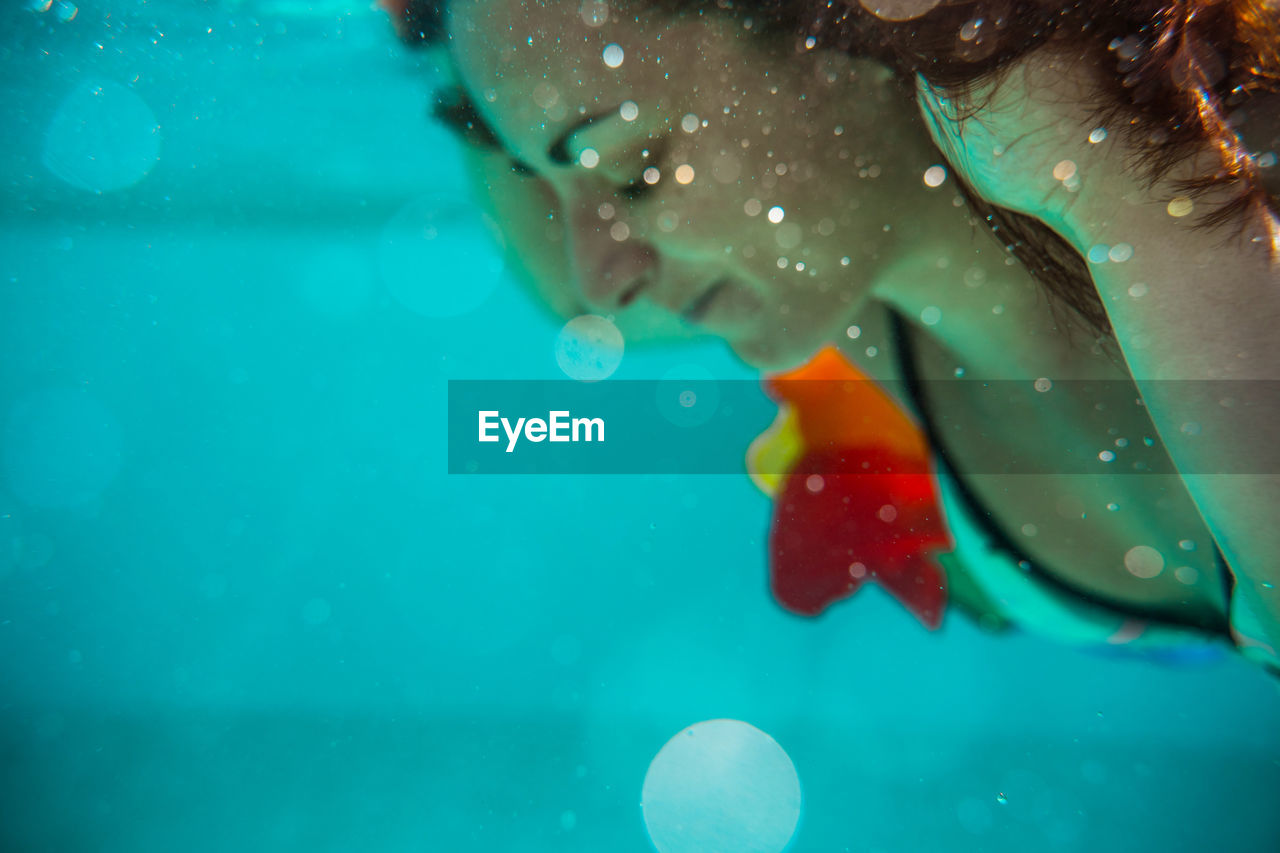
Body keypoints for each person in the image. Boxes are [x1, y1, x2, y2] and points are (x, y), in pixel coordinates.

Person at [380, 0, 1280, 673]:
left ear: (836, 32)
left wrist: (1135, 196)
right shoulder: (844, 279)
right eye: (546, 177)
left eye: (637, 169)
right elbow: (566, 283)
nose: (604, 274)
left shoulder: (1236, 180)